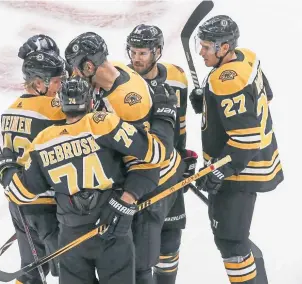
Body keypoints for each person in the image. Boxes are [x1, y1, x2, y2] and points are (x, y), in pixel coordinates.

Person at [0, 76, 178, 284]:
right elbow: (157, 153)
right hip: (111, 229)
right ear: (90, 102)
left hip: (71, 238)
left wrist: (5, 169)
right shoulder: (102, 123)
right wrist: (165, 114)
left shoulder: (44, 140)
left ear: (61, 104)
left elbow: (20, 193)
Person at [65, 32, 187, 284]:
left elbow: (150, 159)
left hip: (154, 183)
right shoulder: (117, 69)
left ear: (89, 66)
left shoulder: (128, 103)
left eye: (76, 69)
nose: (73, 75)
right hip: (142, 174)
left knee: (138, 265)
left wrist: (126, 199)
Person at [189, 15, 284, 284]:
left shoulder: (226, 80)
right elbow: (266, 96)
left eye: (207, 47)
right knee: (235, 238)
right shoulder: (247, 57)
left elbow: (246, 139)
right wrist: (210, 103)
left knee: (231, 242)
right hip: (257, 160)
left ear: (224, 47)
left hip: (241, 170)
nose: (201, 51)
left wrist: (219, 171)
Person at [126, 24, 198, 284]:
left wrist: (184, 157)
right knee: (141, 247)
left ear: (157, 51)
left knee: (171, 239)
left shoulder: (177, 76)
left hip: (172, 171)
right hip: (140, 177)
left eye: (142, 53)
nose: (136, 58)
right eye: (133, 52)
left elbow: (179, 124)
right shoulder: (124, 82)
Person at [1, 36, 66, 284]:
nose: (62, 86)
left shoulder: (9, 110)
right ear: (39, 83)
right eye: (58, 82)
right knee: (69, 270)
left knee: (32, 271)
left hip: (18, 204)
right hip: (47, 206)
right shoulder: (54, 108)